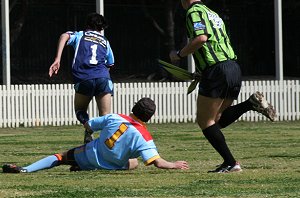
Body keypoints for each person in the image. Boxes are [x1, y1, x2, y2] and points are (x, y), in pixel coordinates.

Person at [169, 0, 276, 173]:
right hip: (232, 67)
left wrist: (179, 54)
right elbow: (214, 44)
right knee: (216, 120)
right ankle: (251, 104)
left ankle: (231, 162)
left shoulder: (193, 11)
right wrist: (203, 70)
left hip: (217, 70)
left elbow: (201, 38)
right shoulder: (213, 13)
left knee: (205, 121)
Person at [2, 98, 189, 173]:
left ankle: (26, 169)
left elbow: (89, 125)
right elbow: (157, 162)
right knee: (135, 162)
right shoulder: (145, 136)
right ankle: (85, 168)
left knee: (61, 157)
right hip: (112, 166)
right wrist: (174, 164)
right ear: (149, 117)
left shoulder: (114, 117)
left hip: (90, 153)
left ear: (133, 108)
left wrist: (88, 135)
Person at [48, 13, 115, 143]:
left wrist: (57, 59)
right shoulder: (105, 41)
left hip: (84, 78)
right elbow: (110, 64)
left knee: (80, 110)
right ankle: (108, 146)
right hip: (103, 78)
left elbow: (64, 36)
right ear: (101, 28)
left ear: (87, 25)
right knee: (105, 116)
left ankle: (88, 129)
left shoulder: (80, 35)